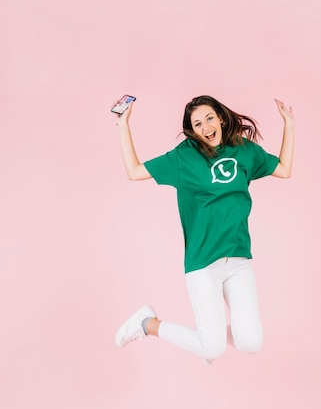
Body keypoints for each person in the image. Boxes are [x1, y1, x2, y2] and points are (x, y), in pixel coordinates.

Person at [114, 94, 294, 364]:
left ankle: (208, 338)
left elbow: (283, 169)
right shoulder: (185, 157)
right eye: (197, 124)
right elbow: (135, 171)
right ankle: (147, 324)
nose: (205, 127)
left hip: (239, 259)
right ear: (192, 130)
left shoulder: (244, 150)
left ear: (220, 118)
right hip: (203, 262)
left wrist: (289, 125)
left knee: (251, 343)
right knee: (212, 349)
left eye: (209, 118)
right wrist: (123, 125)